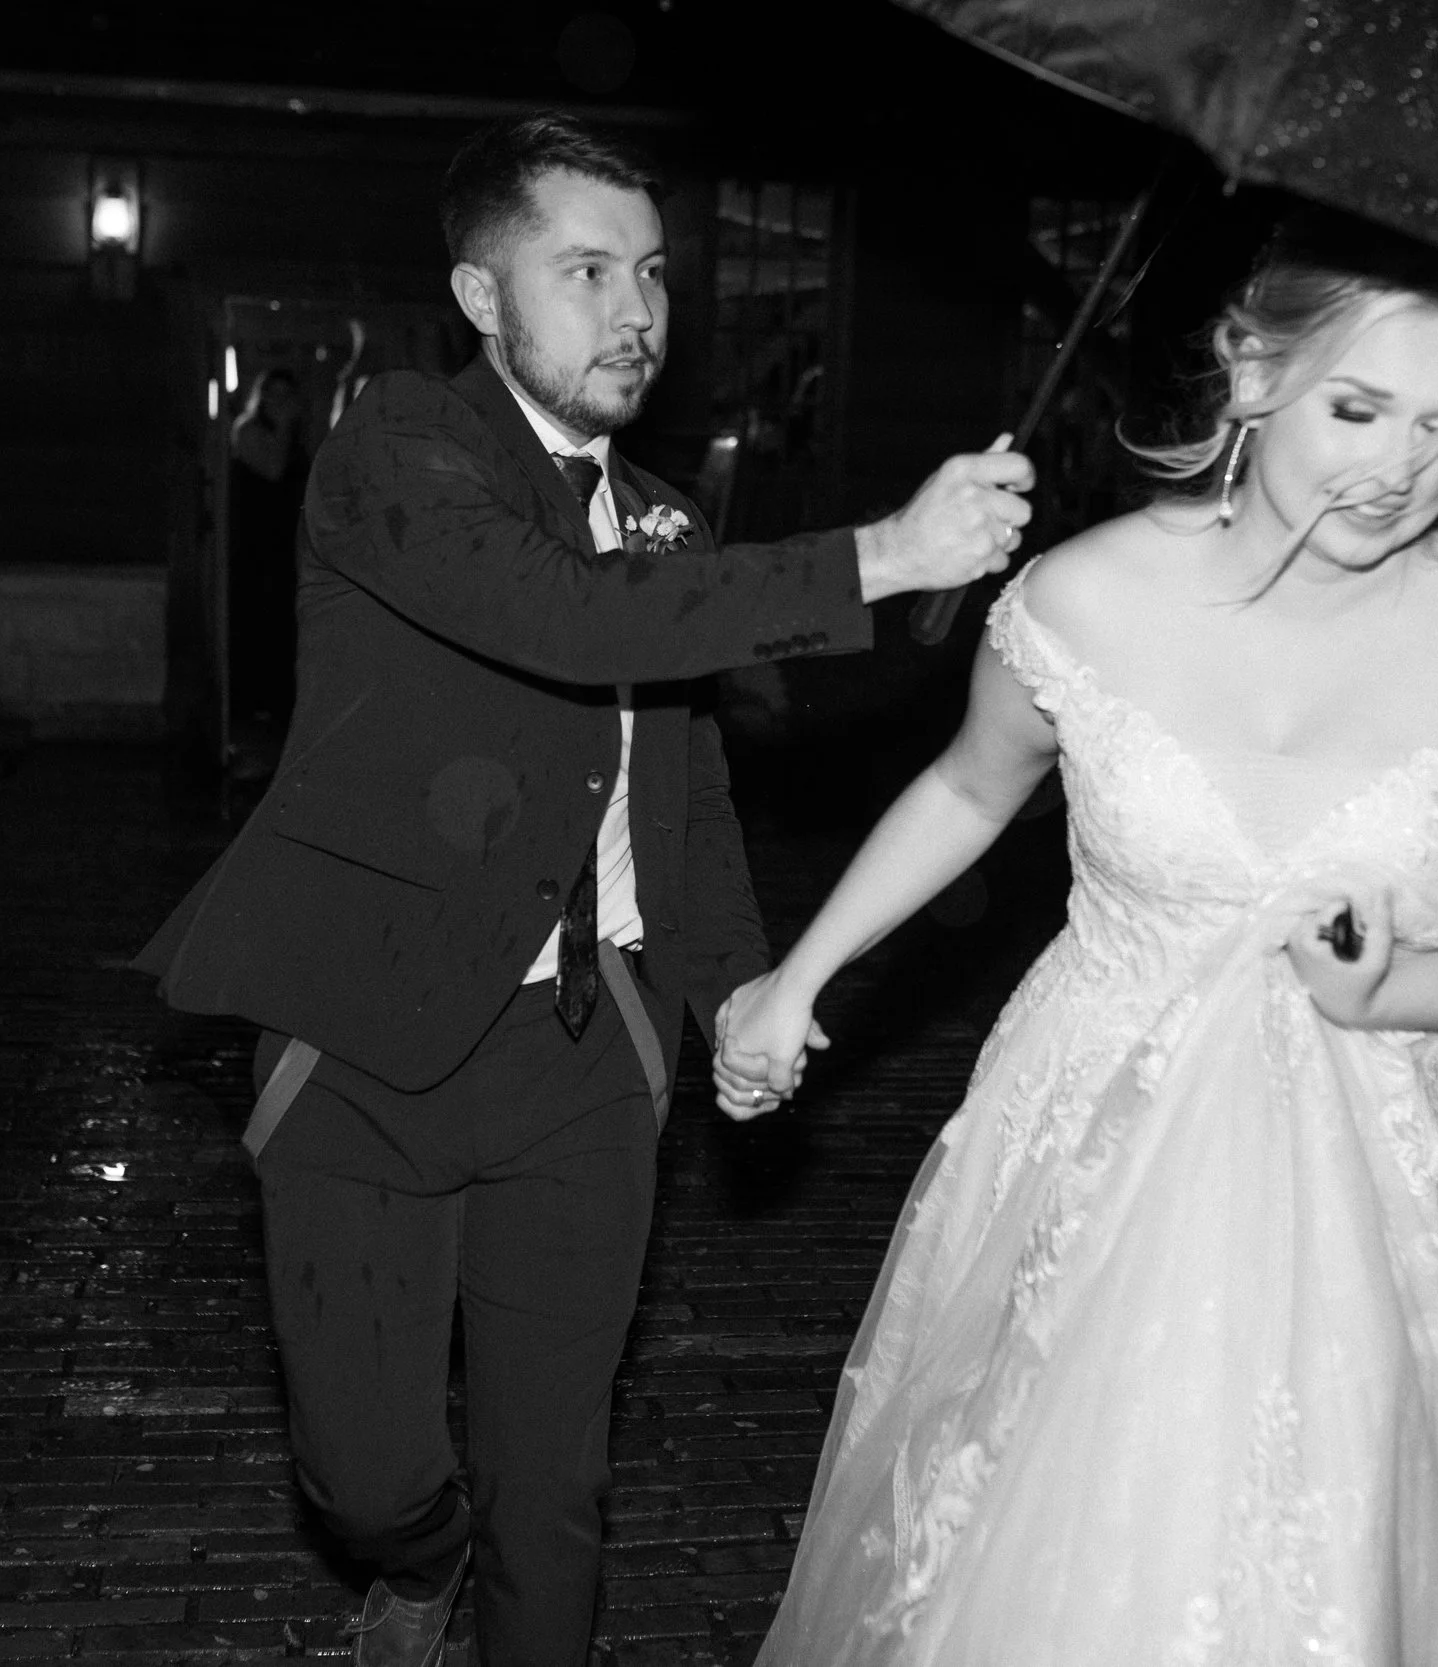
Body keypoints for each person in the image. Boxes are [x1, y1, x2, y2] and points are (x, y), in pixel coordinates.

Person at [131, 113, 1034, 1667]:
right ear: (484, 296)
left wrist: (733, 990)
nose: (637, 311)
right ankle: (418, 1553)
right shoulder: (397, 451)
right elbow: (561, 614)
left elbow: (688, 794)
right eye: (589, 270)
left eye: (656, 274)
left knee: (553, 1479)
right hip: (365, 1038)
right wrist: (877, 556)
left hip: (586, 1057)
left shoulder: (672, 520)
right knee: (362, 1469)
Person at [716, 228, 1438, 1664]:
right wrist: (800, 973)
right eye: (1360, 410)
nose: (1402, 467)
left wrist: (1394, 987)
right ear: (1252, 373)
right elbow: (968, 789)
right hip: (1085, 1149)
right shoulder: (1084, 599)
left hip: (1357, 1207)